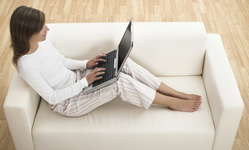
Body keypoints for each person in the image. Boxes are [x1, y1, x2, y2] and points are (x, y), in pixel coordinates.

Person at [10, 6, 202, 117]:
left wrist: (86, 64)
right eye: (41, 27)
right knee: (119, 83)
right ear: (27, 33)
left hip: (78, 79)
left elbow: (61, 60)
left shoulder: (41, 42)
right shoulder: (26, 65)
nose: (47, 29)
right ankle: (172, 102)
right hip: (68, 102)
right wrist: (86, 82)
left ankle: (175, 93)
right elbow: (52, 97)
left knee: (121, 62)